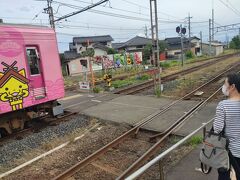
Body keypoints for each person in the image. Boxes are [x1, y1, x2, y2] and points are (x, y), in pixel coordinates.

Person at [213, 73, 240, 180]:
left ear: (232, 87)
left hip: (229, 154)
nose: (223, 87)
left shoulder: (223, 105)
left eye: (225, 84)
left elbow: (217, 129)